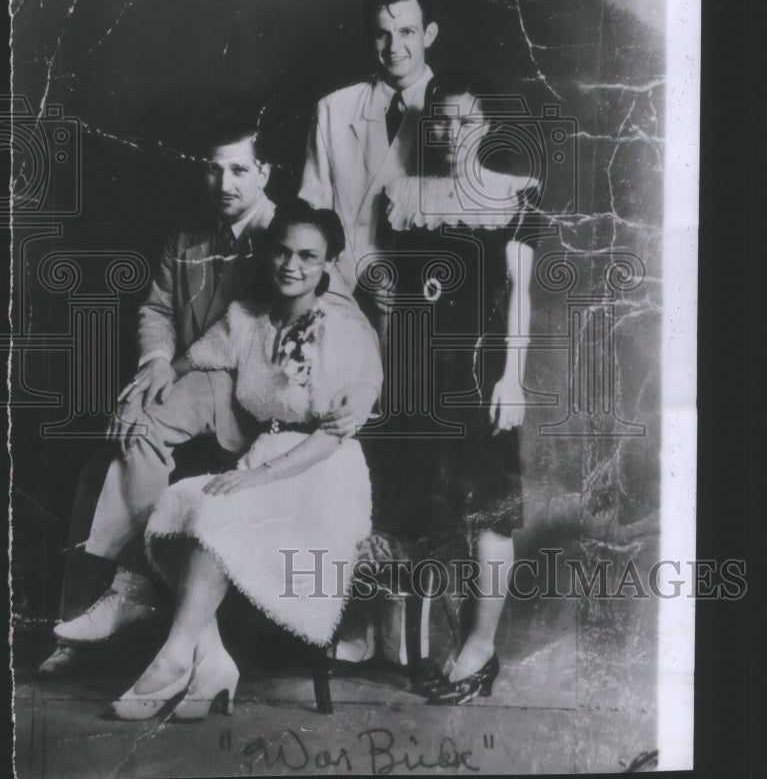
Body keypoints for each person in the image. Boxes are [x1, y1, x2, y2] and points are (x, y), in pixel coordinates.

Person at [108, 200, 382, 721]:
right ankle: (207, 663)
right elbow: (190, 361)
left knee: (216, 514)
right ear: (266, 254)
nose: (291, 265)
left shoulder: (341, 331)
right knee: (181, 504)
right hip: (262, 461)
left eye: (308, 256)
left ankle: (171, 658)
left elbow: (331, 437)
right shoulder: (246, 319)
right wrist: (149, 384)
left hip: (322, 474)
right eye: (282, 252)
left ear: (328, 266)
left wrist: (262, 476)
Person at [42, 125, 276, 670]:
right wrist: (152, 366)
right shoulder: (190, 234)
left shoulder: (281, 234)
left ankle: (136, 588)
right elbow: (157, 309)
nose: (224, 182)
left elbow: (248, 340)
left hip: (245, 397)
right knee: (102, 464)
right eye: (214, 168)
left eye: (239, 169)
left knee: (136, 430)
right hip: (185, 385)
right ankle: (74, 634)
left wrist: (153, 389)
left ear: (265, 173)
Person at [375, 69, 538, 705]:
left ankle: (480, 646)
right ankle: (416, 649)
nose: (448, 131)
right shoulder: (407, 194)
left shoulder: (515, 196)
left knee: (490, 514)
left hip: (481, 373)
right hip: (417, 377)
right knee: (423, 509)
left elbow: (520, 296)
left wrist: (514, 377)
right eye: (439, 120)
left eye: (464, 120)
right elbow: (394, 294)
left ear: (486, 127)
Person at [299, 0, 439, 328]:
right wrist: (349, 275)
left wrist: (406, 281)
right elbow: (311, 209)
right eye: (382, 35)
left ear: (429, 34)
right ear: (369, 38)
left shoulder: (454, 110)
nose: (394, 47)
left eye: (407, 31)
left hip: (417, 298)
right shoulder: (334, 108)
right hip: (334, 291)